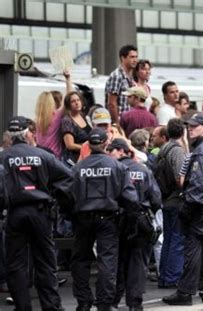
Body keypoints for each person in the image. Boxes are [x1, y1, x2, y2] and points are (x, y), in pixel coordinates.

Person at [2, 116, 72, 311]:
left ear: (10, 135)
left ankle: (22, 307)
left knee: (16, 264)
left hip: (15, 213)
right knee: (46, 262)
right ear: (27, 134)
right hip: (40, 211)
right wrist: (54, 196)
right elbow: (68, 178)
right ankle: (51, 307)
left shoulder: (3, 157)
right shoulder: (43, 155)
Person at [69, 127, 141, 311]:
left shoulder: (78, 168)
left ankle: (84, 301)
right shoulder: (117, 167)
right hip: (108, 219)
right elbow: (131, 199)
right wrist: (131, 222)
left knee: (80, 261)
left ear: (88, 145)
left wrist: (72, 215)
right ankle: (104, 303)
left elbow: (67, 194)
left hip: (83, 219)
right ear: (106, 144)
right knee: (107, 261)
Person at [163, 112, 203, 306]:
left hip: (201, 203)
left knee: (193, 247)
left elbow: (198, 188)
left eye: (195, 126)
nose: (190, 129)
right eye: (189, 126)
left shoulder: (200, 152)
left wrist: (187, 210)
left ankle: (185, 292)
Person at [108, 138, 162, 310]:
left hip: (119, 219)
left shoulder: (113, 170)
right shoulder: (143, 170)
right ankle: (135, 303)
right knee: (138, 263)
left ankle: (113, 301)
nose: (109, 154)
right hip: (141, 219)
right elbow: (156, 199)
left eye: (111, 150)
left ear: (122, 151)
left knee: (117, 261)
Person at [154, 119, 186, 288]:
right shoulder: (177, 151)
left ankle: (165, 276)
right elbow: (180, 179)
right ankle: (173, 277)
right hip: (175, 199)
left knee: (168, 239)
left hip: (165, 199)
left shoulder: (163, 150)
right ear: (182, 132)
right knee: (176, 239)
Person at [105, 44, 138, 123]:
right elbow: (111, 103)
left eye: (136, 57)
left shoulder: (130, 77)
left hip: (128, 121)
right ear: (123, 58)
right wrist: (117, 124)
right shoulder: (117, 76)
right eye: (132, 57)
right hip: (120, 122)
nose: (135, 60)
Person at [61, 91, 91, 166]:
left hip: (86, 156)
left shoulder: (83, 115)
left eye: (78, 100)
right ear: (68, 105)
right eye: (73, 101)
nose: (77, 103)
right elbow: (70, 145)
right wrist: (88, 148)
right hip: (74, 160)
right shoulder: (67, 121)